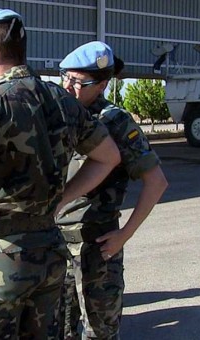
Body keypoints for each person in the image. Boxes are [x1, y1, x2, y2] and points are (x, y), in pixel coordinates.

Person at [0, 9, 121, 339]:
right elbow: (108, 156)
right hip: (49, 254)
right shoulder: (61, 99)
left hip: (0, 256)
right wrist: (63, 197)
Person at [58, 41, 169, 339]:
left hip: (96, 244)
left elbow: (156, 182)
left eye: (78, 82)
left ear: (102, 84)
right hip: (55, 243)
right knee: (58, 330)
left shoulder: (115, 122)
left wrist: (125, 234)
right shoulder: (59, 117)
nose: (68, 87)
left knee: (99, 332)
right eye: (65, 78)